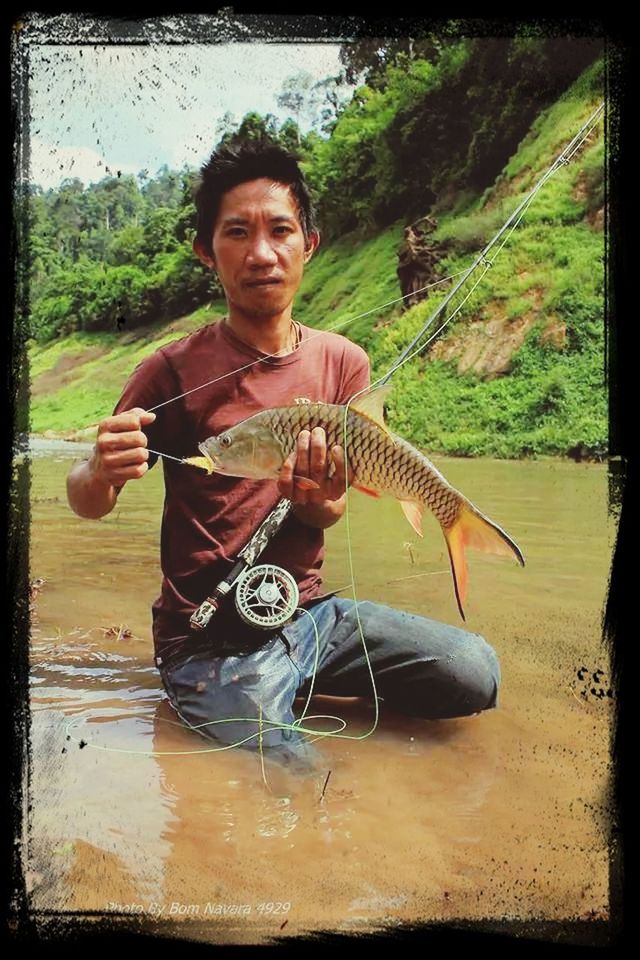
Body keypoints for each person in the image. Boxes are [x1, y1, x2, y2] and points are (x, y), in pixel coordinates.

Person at [66, 141, 500, 775]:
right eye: (237, 233)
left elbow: (329, 513)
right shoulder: (169, 370)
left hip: (311, 615)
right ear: (206, 251)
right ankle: (242, 698)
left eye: (280, 230)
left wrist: (317, 502)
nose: (261, 253)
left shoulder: (343, 361)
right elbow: (88, 502)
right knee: (296, 771)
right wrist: (99, 468)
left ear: (310, 244)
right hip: (206, 638)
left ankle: (290, 685)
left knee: (475, 671)